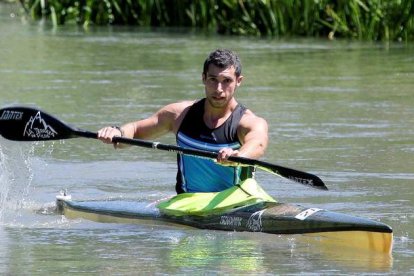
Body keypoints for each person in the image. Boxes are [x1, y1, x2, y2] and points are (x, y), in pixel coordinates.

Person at [98, 49, 268, 194]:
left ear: (239, 81)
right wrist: (117, 133)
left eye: (227, 81)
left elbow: (258, 144)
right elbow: (135, 131)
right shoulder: (179, 115)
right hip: (188, 204)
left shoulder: (249, 122)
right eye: (213, 80)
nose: (219, 89)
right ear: (203, 78)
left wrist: (238, 156)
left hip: (238, 204)